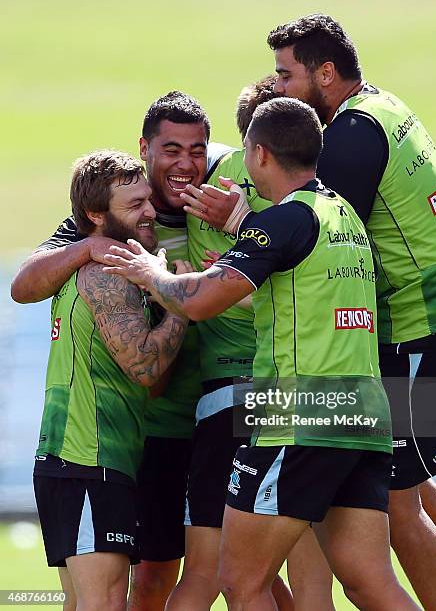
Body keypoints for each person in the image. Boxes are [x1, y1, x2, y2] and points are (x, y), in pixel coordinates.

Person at [183, 14, 436, 611]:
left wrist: (244, 226)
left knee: (396, 497)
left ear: (325, 72)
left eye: (285, 75)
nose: (277, 88)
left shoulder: (347, 139)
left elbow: (318, 240)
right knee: (394, 488)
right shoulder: (380, 108)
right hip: (435, 325)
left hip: (424, 331)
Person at [102, 97, 419, 611]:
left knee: (241, 580)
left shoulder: (283, 222)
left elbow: (201, 301)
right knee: (369, 584)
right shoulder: (343, 217)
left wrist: (149, 273)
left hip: (300, 417)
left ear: (261, 155)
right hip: (364, 415)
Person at [11, 92, 293, 610]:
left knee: (247, 568)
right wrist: (86, 249)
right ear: (145, 148)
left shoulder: (226, 194)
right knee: (156, 576)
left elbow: (292, 227)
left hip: (229, 413)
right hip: (150, 429)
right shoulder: (114, 221)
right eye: (171, 150)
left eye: (197, 149)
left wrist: (242, 220)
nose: (185, 164)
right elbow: (25, 285)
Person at [12, 92, 208, 611]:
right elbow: (147, 368)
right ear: (96, 216)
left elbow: (152, 375)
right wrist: (181, 301)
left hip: (90, 458)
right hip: (88, 460)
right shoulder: (104, 271)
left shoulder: (119, 267)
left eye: (147, 202)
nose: (150, 214)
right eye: (135, 206)